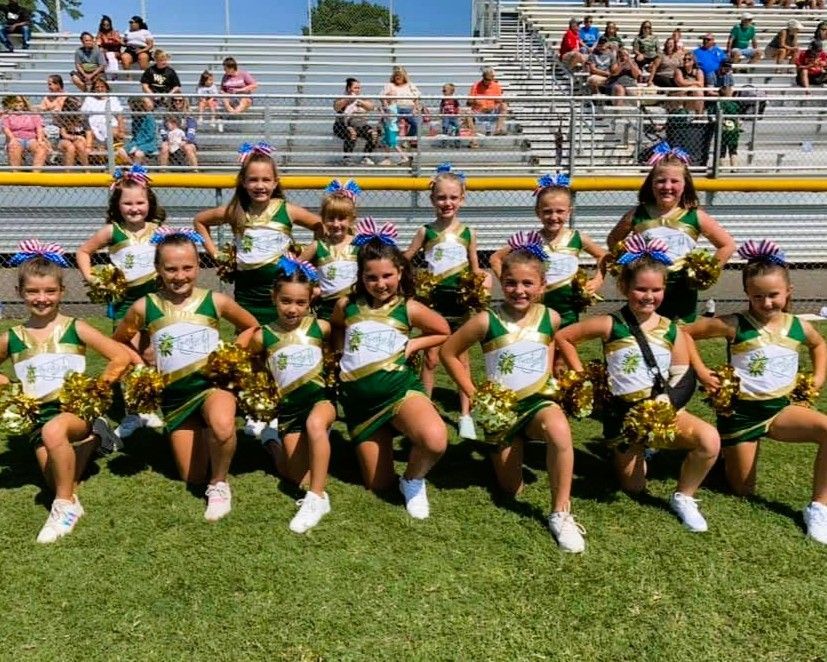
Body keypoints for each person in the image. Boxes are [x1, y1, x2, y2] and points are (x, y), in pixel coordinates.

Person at [556, 237, 721, 533]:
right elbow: (564, 337)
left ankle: (684, 496)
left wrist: (665, 405)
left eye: (656, 290)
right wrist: (583, 378)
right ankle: (634, 450)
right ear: (625, 288)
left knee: (709, 439)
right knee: (633, 487)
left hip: (660, 408)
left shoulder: (672, 329)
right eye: (640, 289)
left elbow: (683, 376)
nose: (648, 296)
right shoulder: (610, 323)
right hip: (622, 417)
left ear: (664, 289)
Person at [440, 232, 586, 553]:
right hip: (500, 410)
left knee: (560, 431)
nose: (519, 290)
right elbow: (448, 353)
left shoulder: (552, 317)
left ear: (542, 286)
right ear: (500, 281)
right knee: (511, 489)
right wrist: (473, 393)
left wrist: (554, 385)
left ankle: (561, 512)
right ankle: (504, 448)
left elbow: (547, 352)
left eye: (527, 284)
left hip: (537, 404)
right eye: (510, 282)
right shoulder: (484, 320)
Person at [683, 240, 827, 545]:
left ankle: (818, 508)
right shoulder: (735, 323)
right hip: (741, 414)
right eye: (757, 296)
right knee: (742, 490)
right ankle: (725, 455)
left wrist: (818, 376)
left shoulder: (797, 326)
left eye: (773, 295)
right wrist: (701, 370)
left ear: (788, 291)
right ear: (747, 294)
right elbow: (684, 334)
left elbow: (819, 345)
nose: (766, 303)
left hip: (780, 410)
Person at [113, 229, 257, 520]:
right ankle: (206, 436)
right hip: (174, 396)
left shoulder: (215, 301)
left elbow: (252, 327)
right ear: (158, 269)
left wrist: (229, 354)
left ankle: (219, 484)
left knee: (221, 423)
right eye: (171, 269)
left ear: (198, 266)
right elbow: (118, 341)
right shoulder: (144, 306)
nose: (180, 276)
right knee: (191, 476)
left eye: (188, 268)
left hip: (211, 386)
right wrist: (142, 360)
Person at [0, 240, 131, 542]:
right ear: (20, 293)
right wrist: (9, 387)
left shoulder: (76, 327)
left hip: (73, 412)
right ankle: (96, 438)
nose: (42, 298)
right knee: (54, 477)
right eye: (33, 291)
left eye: (49, 291)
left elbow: (121, 357)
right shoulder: (13, 337)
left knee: (56, 441)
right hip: (37, 418)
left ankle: (65, 507)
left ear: (61, 292)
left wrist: (97, 390)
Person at [330, 219, 449, 518]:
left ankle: (412, 480)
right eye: (371, 277)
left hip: (399, 392)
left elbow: (443, 330)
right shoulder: (347, 305)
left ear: (400, 273)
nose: (380, 284)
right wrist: (340, 353)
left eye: (387, 275)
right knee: (377, 484)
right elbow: (335, 327)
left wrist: (414, 346)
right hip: (360, 404)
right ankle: (383, 436)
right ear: (361, 276)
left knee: (434, 439)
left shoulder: (408, 306)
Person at [237, 257, 336, 533]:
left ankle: (317, 499)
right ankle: (271, 441)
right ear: (274, 298)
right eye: (286, 301)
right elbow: (250, 362)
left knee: (316, 424)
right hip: (289, 410)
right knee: (293, 475)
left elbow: (338, 352)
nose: (293, 309)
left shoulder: (322, 328)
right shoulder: (263, 336)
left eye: (300, 303)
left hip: (320, 402)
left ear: (310, 302)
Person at [193, 142, 323, 323]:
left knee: (282, 339)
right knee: (250, 338)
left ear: (275, 182)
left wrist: (308, 261)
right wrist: (216, 254)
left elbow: (320, 226)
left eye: (266, 180)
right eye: (253, 179)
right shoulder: (235, 210)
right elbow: (200, 221)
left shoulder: (287, 210)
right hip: (247, 293)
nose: (260, 185)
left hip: (281, 291)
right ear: (243, 182)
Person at [404, 166, 489, 441]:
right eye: (441, 197)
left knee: (461, 359)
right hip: (433, 305)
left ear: (462, 198)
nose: (447, 203)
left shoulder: (468, 233)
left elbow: (475, 268)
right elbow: (405, 259)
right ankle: (425, 409)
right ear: (432, 200)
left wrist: (483, 284)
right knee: (430, 357)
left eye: (453, 197)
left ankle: (465, 414)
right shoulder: (425, 231)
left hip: (460, 305)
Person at [606, 146, 735, 323]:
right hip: (646, 287)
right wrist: (627, 264)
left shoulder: (695, 215)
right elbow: (613, 239)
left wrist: (706, 272)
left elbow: (727, 245)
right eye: (660, 181)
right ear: (651, 183)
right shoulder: (636, 214)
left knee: (680, 336)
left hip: (682, 289)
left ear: (685, 184)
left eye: (674, 181)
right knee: (645, 330)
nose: (667, 186)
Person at [490, 173, 606, 330]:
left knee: (565, 345)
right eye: (547, 211)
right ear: (537, 212)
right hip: (537, 307)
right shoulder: (529, 239)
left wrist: (597, 280)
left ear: (569, 211)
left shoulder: (578, 238)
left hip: (568, 309)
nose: (553, 217)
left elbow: (603, 256)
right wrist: (509, 283)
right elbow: (495, 258)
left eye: (560, 211)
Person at [300, 179, 360, 322]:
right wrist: (310, 289)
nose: (336, 224)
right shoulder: (317, 246)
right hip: (326, 310)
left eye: (341, 219)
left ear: (351, 220)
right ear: (323, 219)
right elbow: (294, 268)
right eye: (331, 219)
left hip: (355, 307)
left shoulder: (360, 243)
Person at [332, 77, 378, 166]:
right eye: (355, 88)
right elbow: (336, 107)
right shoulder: (342, 98)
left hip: (360, 125)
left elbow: (371, 107)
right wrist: (348, 100)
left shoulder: (362, 99)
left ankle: (366, 157)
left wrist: (361, 102)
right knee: (351, 133)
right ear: (349, 88)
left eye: (359, 88)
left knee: (373, 134)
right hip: (342, 125)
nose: (358, 90)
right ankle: (347, 159)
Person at [2, 94, 49, 170]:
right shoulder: (8, 115)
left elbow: (39, 128)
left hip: (31, 139)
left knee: (41, 147)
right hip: (16, 138)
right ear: (11, 103)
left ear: (24, 102)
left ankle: (35, 176)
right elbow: (6, 129)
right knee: (14, 146)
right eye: (15, 102)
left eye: (20, 101)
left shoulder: (32, 114)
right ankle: (16, 176)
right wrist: (12, 139)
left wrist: (40, 140)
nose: (18, 104)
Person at [81, 78, 126, 148]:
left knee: (115, 132)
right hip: (93, 127)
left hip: (110, 124)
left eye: (102, 87)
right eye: (97, 87)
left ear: (106, 88)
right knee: (90, 133)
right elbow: (83, 116)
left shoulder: (112, 99)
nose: (100, 89)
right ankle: (101, 149)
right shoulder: (89, 99)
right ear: (93, 89)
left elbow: (119, 116)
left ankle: (111, 148)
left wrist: (122, 131)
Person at [380, 66, 422, 140]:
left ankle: (408, 139)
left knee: (417, 122)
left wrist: (416, 108)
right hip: (396, 108)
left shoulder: (410, 85)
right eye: (396, 76)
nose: (398, 78)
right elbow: (382, 97)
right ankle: (392, 140)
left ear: (404, 77)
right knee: (390, 122)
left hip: (409, 107)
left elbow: (417, 98)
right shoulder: (390, 85)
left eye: (400, 76)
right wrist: (386, 104)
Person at [467, 66, 508, 135]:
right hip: (479, 112)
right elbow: (468, 103)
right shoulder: (475, 86)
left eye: (490, 79)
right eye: (486, 79)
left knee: (504, 106)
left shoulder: (496, 86)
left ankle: (498, 130)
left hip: (492, 111)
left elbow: (499, 101)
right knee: (467, 112)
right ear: (483, 77)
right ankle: (473, 134)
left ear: (492, 78)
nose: (487, 81)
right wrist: (475, 101)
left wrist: (494, 106)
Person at [159, 99, 198, 169]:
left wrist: (186, 140)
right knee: (164, 147)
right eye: (175, 100)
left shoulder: (189, 116)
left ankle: (195, 170)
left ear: (184, 102)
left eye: (180, 100)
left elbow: (192, 131)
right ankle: (163, 170)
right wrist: (167, 138)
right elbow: (162, 128)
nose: (177, 102)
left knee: (188, 148)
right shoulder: (168, 115)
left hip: (185, 140)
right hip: (171, 139)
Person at [120, 96, 158, 165]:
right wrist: (134, 144)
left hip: (148, 143)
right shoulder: (135, 117)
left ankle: (136, 169)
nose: (132, 107)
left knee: (138, 154)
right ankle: (132, 165)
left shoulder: (149, 116)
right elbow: (134, 134)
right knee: (121, 151)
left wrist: (137, 145)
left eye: (134, 104)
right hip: (136, 142)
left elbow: (150, 136)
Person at [57, 95, 90, 167]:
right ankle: (68, 173)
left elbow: (88, 133)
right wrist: (77, 137)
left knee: (80, 146)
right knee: (70, 147)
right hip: (64, 140)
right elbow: (64, 134)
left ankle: (87, 171)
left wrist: (88, 146)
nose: (74, 107)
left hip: (79, 140)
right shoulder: (63, 116)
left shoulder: (82, 117)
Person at [718, 85, 742, 167]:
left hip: (722, 130)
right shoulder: (734, 104)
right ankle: (734, 168)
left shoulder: (718, 103)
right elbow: (738, 116)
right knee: (733, 150)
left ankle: (721, 168)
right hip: (733, 130)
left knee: (721, 151)